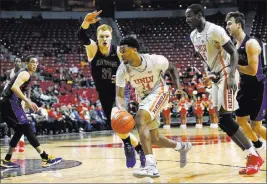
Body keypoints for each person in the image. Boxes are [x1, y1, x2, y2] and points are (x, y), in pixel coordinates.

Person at [185, 4, 264, 175]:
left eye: (190, 16)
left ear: (200, 15)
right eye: (186, 16)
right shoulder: (193, 35)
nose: (187, 19)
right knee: (222, 121)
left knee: (227, 118)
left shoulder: (215, 30)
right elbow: (207, 58)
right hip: (215, 77)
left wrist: (231, 74)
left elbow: (234, 54)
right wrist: (210, 74)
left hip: (227, 75)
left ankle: (253, 155)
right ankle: (252, 154)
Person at [115, 35, 192, 178]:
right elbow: (119, 95)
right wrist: (121, 109)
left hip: (160, 91)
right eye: (120, 51)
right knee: (154, 138)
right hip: (143, 97)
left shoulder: (154, 60)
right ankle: (182, 147)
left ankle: (150, 166)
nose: (121, 54)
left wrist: (179, 87)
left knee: (140, 119)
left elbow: (172, 68)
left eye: (124, 51)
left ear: (134, 50)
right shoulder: (122, 69)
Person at [77, 10, 145, 168]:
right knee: (116, 126)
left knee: (117, 117)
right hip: (104, 93)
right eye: (101, 36)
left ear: (111, 36)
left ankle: (128, 147)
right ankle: (138, 148)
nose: (104, 39)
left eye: (107, 36)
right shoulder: (93, 49)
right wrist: (86, 22)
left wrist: (124, 77)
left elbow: (132, 68)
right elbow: (81, 36)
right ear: (97, 38)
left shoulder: (119, 52)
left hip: (119, 90)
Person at [0, 55, 62, 168]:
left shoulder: (27, 74)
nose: (35, 64)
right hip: (10, 103)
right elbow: (14, 87)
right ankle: (45, 157)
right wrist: (27, 101)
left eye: (36, 62)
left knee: (19, 131)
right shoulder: (25, 73)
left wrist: (24, 102)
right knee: (26, 128)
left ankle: (6, 159)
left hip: (10, 103)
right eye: (32, 62)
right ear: (26, 63)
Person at [225, 12, 266, 150]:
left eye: (230, 23)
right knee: (240, 120)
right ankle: (257, 145)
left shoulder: (251, 43)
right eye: (226, 24)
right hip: (245, 87)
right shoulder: (234, 46)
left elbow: (252, 71)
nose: (227, 26)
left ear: (239, 24)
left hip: (259, 87)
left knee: (256, 126)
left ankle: (258, 142)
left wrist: (233, 65)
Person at [4, 57, 25, 152]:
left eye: (19, 61)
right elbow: (7, 85)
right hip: (11, 98)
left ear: (21, 63)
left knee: (21, 120)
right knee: (13, 121)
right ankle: (14, 142)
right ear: (14, 63)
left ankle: (22, 143)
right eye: (16, 61)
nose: (17, 62)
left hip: (21, 98)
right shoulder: (10, 73)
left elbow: (28, 87)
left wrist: (27, 98)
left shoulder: (24, 72)